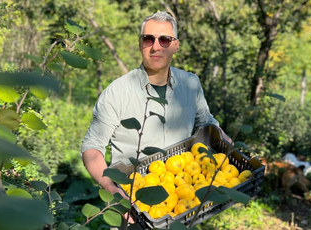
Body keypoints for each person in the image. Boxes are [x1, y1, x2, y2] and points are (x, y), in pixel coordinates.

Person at [81, 11, 230, 202]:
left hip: (182, 199)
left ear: (175, 45)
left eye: (165, 40)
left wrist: (233, 149)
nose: (156, 47)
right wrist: (112, 190)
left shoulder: (190, 84)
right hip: (132, 200)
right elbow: (92, 147)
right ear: (140, 43)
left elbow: (208, 125)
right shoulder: (117, 92)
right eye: (148, 39)